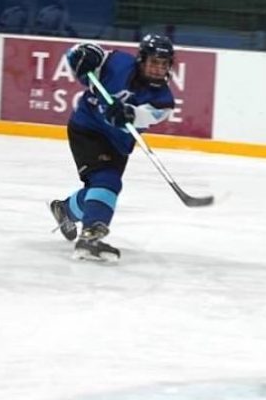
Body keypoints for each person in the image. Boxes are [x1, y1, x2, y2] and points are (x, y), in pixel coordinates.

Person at [48, 34, 177, 261]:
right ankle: (90, 236)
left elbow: (146, 115)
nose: (159, 69)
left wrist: (130, 114)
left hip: (118, 143)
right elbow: (78, 53)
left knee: (102, 187)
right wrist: (81, 56)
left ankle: (66, 210)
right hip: (87, 129)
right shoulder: (117, 63)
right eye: (154, 62)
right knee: (108, 182)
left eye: (164, 64)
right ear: (142, 59)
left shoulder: (163, 99)